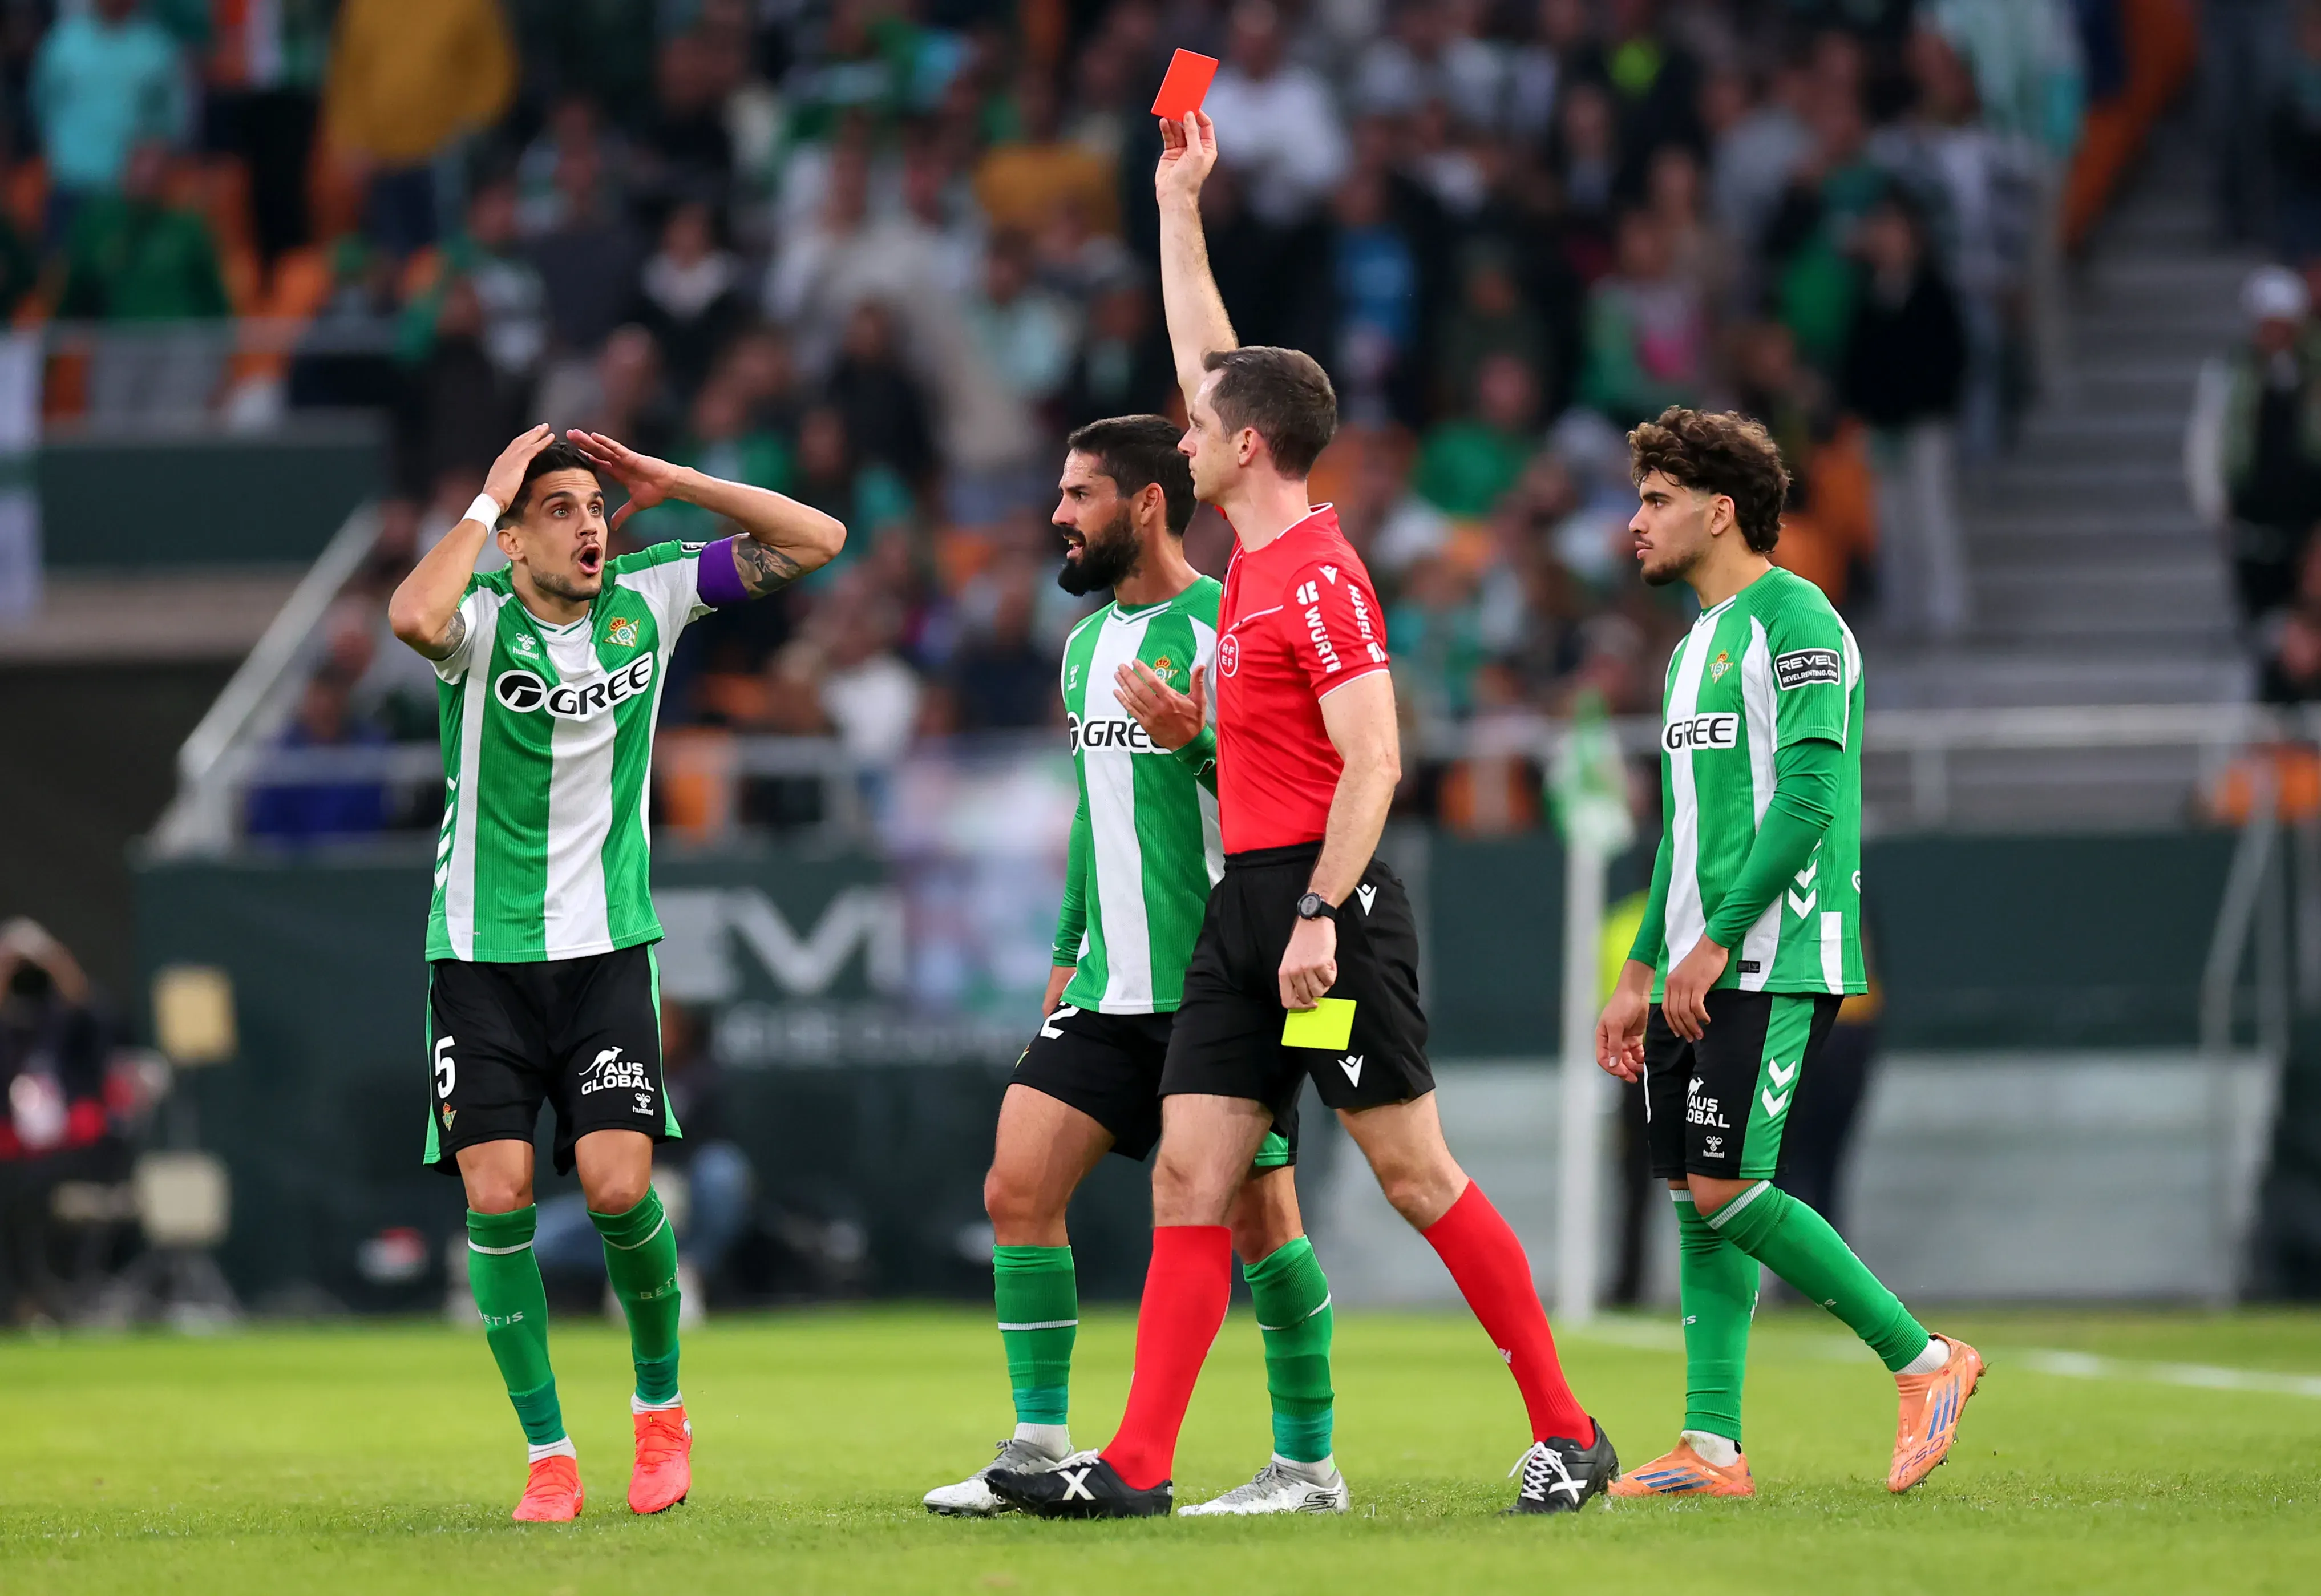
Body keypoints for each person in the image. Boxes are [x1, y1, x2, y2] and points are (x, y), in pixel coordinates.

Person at [990, 111, 1614, 1521]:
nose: (1183, 432)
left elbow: (1377, 762)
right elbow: (1209, 356)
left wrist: (1324, 913)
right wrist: (1179, 206)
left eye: (1202, 428)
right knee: (1191, 1177)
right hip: (1249, 912)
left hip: (1328, 919)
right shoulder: (1251, 551)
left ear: (1249, 447)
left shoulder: (1320, 579)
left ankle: (1570, 1430)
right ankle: (1137, 1468)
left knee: (1412, 1174)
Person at [385, 426, 844, 1522]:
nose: (589, 525)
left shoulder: (652, 593)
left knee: (619, 1190)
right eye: (560, 511)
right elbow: (410, 616)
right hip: (479, 955)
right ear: (512, 540)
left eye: (595, 508)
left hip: (604, 953)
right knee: (497, 1198)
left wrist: (678, 484)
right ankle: (548, 1456)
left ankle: (659, 1411)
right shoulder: (478, 619)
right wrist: (484, 502)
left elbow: (818, 540)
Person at [924, 415, 1348, 1518]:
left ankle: (1309, 1468)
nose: (1057, 516)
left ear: (1148, 502)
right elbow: (1092, 815)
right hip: (1109, 986)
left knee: (1264, 1226)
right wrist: (1066, 951)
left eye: (1080, 496)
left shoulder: (1227, 626)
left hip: (1222, 984)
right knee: (1017, 1187)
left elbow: (1289, 801)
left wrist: (1195, 741)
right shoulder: (1081, 651)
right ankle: (1036, 1446)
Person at [1592, 407, 1981, 1500]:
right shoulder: (1689, 652)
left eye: (1657, 501)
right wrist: (1637, 972)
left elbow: (1810, 800)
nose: (1636, 522)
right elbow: (1680, 832)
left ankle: (1924, 1359)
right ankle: (1711, 1449)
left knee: (1727, 1186)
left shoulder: (1800, 620)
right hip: (1692, 964)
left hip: (1772, 951)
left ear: (1721, 511)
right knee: (1693, 1194)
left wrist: (1715, 942)